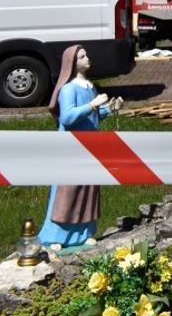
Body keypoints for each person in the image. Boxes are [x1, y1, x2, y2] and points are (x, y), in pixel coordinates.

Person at [39, 45, 122, 249]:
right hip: (72, 146)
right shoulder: (69, 89)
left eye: (86, 55)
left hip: (91, 145)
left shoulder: (90, 87)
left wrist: (109, 108)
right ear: (72, 63)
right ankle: (56, 235)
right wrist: (93, 105)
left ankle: (84, 232)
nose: (87, 59)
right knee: (67, 190)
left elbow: (92, 116)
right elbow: (67, 118)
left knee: (88, 188)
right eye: (82, 56)